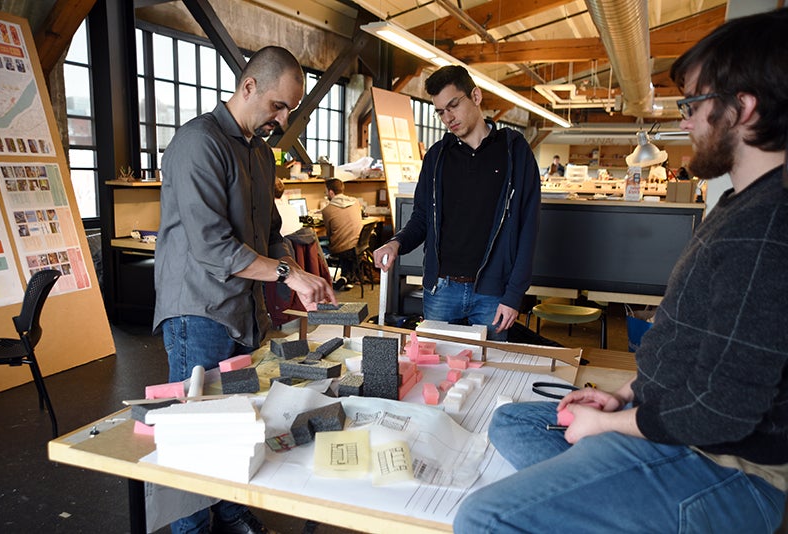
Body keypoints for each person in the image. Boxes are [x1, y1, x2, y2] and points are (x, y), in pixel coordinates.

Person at [455, 9, 788, 533]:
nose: (684, 120)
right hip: (679, 429)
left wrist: (611, 425)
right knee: (512, 421)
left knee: (483, 516)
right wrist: (628, 395)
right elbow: (696, 348)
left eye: (694, 104)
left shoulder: (767, 227)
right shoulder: (740, 208)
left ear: (743, 109)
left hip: (727, 467)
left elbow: (721, 412)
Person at [154, 46, 336, 534]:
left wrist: (302, 276)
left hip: (242, 308)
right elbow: (213, 246)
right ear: (249, 86)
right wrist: (286, 274)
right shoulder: (199, 143)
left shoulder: (258, 152)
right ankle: (191, 526)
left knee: (238, 416)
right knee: (197, 427)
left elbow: (269, 231)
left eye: (290, 111)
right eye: (277, 105)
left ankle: (230, 509)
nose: (281, 118)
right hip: (199, 309)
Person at [374, 65, 541, 341]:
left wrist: (514, 295)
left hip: (493, 292)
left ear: (475, 96)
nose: (447, 117)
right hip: (441, 290)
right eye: (440, 112)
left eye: (453, 105)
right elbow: (421, 218)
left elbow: (528, 227)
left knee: (492, 373)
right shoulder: (437, 157)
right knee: (434, 371)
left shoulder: (514, 152)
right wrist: (396, 242)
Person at [321, 178, 363, 288]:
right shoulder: (355, 202)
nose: (325, 194)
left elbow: (329, 233)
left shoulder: (327, 210)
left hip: (341, 249)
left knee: (319, 243)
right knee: (346, 241)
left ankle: (327, 278)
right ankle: (347, 277)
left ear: (331, 192)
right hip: (358, 246)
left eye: (325, 191)